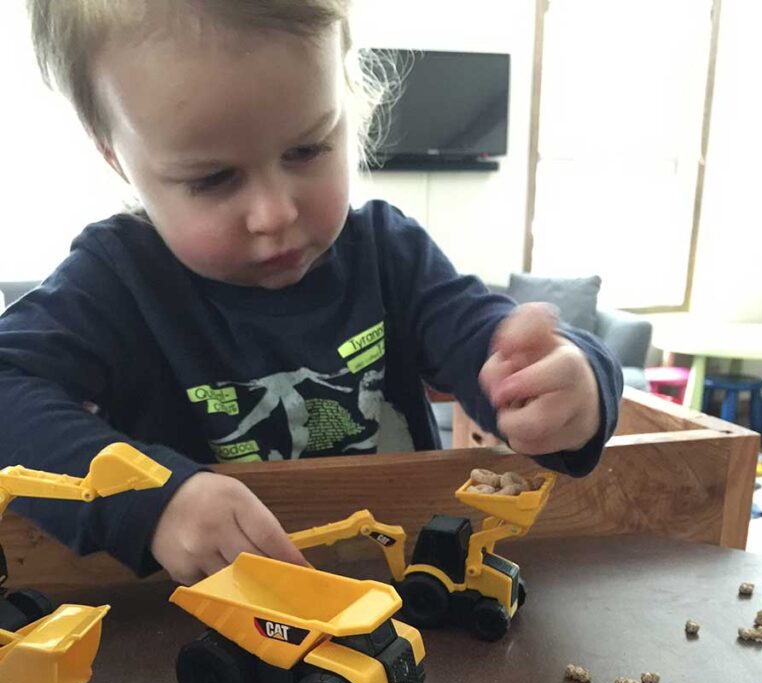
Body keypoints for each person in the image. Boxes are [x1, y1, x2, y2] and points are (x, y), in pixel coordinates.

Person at [0, 0, 622, 584]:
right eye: (212, 178)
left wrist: (571, 386)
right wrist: (152, 501)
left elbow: (498, 352)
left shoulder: (390, 255)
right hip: (200, 631)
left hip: (405, 604)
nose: (274, 213)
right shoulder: (114, 282)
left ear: (348, 104)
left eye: (308, 148)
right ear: (117, 157)